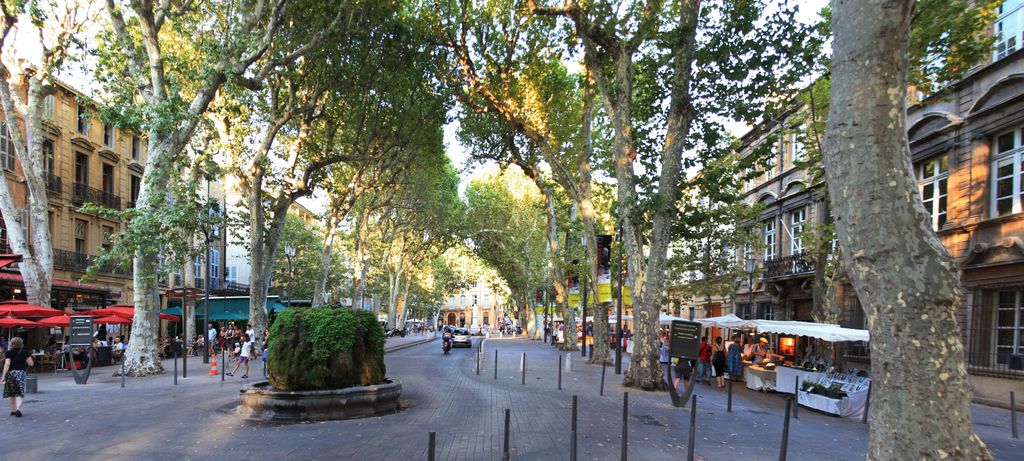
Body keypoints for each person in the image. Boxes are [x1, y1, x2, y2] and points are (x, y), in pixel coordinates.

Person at [2, 337, 34, 417]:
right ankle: (18, 409)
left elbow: (7, 364)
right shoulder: (25, 352)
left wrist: (3, 376)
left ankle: (13, 410)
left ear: (11, 344)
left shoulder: (8, 353)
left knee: (11, 393)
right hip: (20, 373)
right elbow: (31, 364)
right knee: (19, 392)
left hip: (10, 374)